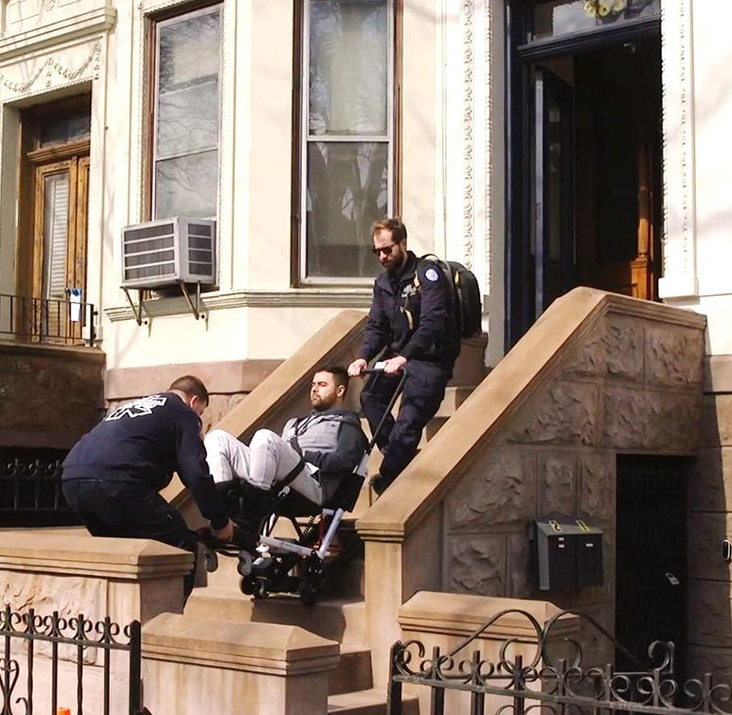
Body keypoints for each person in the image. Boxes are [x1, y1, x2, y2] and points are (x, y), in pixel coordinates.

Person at [62, 375, 235, 599]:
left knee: (123, 552)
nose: (198, 420)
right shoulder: (183, 413)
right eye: (200, 413)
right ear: (193, 402)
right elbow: (196, 473)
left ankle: (120, 622)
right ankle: (161, 623)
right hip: (118, 482)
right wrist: (220, 521)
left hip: (73, 480)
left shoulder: (136, 406)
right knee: (181, 549)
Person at [347, 217, 460, 494]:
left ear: (403, 244)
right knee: (370, 397)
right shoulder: (384, 283)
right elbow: (377, 327)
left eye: (388, 249)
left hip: (430, 360)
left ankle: (388, 481)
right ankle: (398, 456)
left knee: (408, 421)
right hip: (399, 356)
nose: (383, 256)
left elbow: (433, 322)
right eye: (378, 252)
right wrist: (363, 356)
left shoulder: (427, 274)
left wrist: (406, 356)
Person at [203, 365, 367, 511]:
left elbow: (345, 462)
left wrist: (306, 455)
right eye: (313, 385)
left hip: (312, 485)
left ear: (340, 391)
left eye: (322, 385)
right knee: (217, 438)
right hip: (276, 479)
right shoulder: (295, 423)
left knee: (265, 437)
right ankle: (221, 514)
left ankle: (250, 515)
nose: (315, 389)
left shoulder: (346, 424)